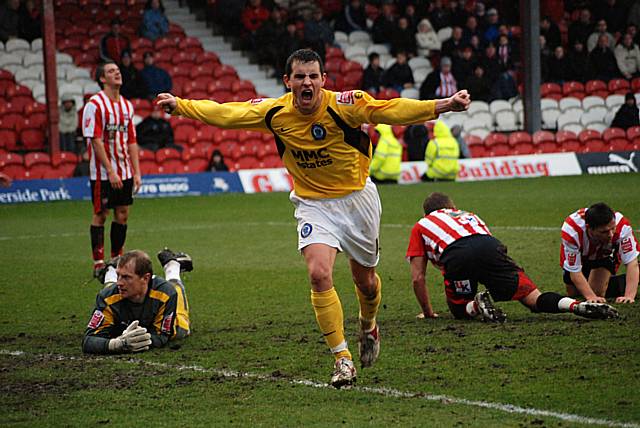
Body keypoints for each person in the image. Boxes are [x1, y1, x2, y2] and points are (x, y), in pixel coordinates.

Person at [156, 48, 471, 388]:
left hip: (357, 201)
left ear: (323, 80)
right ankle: (342, 359)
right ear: (287, 81)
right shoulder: (275, 112)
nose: (307, 82)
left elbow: (390, 108)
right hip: (313, 204)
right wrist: (182, 105)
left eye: (313, 76)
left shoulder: (346, 105)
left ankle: (369, 324)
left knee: (365, 282)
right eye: (300, 76)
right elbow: (227, 113)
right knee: (319, 274)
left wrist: (442, 104)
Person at [407, 192, 620, 322]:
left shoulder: (422, 224)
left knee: (460, 309)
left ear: (427, 214)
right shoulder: (468, 214)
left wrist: (428, 312)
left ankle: (475, 305)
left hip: (457, 255)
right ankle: (576, 306)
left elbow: (418, 277)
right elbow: (484, 244)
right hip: (490, 247)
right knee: (534, 299)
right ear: (452, 207)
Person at [82, 61, 142, 277]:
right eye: (111, 71)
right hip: (103, 173)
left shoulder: (127, 105)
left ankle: (117, 259)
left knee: (123, 214)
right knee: (101, 213)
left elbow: (132, 140)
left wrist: (136, 171)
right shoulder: (95, 104)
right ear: (101, 79)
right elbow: (96, 140)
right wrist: (111, 170)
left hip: (125, 170)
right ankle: (98, 262)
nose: (117, 73)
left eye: (117, 70)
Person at [82, 248, 192, 354]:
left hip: (161, 304)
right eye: (118, 275)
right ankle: (110, 270)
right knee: (111, 291)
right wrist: (116, 344)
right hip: (119, 303)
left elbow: (161, 336)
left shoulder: (165, 294)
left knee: (182, 329)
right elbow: (89, 340)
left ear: (145, 278)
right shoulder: (107, 298)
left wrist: (139, 340)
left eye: (126, 277)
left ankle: (172, 266)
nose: (119, 282)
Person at [561, 203, 639, 304]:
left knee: (596, 292)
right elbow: (574, 271)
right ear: (589, 228)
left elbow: (631, 262)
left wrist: (629, 296)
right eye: (604, 232)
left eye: (612, 228)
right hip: (582, 256)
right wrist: (590, 297)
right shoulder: (571, 230)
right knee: (574, 294)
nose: (611, 235)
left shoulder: (621, 225)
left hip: (604, 255)